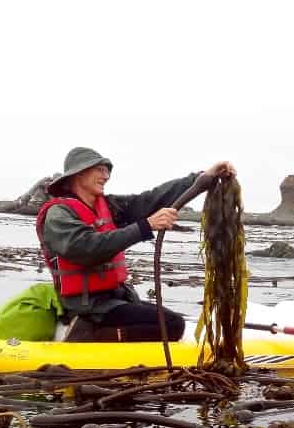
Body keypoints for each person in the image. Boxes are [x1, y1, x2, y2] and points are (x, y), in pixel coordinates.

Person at [35, 146, 236, 342]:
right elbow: (85, 248)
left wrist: (201, 178)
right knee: (173, 326)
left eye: (107, 171)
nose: (106, 176)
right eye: (100, 170)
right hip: (87, 306)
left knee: (173, 321)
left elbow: (152, 199)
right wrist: (145, 226)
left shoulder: (109, 206)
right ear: (78, 174)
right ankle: (85, 334)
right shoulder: (59, 213)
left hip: (114, 299)